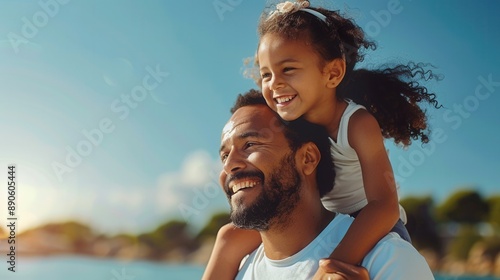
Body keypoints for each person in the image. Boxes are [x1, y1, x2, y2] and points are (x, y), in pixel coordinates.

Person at [203, 1, 442, 279]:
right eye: (266, 74)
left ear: (332, 73)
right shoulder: (293, 119)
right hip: (324, 219)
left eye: (288, 69)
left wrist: (332, 266)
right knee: (228, 236)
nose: (273, 84)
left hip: (376, 221)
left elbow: (384, 205)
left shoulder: (357, 123)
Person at [214, 89, 434, 279]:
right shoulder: (237, 268)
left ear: (308, 158)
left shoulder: (387, 259)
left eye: (250, 144)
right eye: (224, 156)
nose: (229, 166)